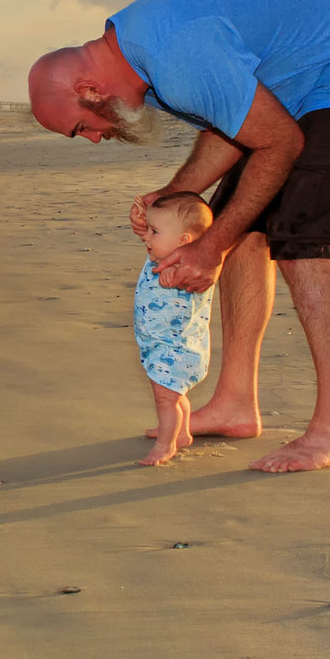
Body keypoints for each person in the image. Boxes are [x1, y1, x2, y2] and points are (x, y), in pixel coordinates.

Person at [26, 0, 330, 473]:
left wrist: (209, 248)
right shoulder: (141, 55)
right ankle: (237, 403)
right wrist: (175, 195)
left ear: (89, 90)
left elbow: (279, 143)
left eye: (81, 128)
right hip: (303, 82)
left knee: (302, 243)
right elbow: (236, 123)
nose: (95, 139)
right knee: (236, 227)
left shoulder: (174, 54)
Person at [131, 191, 217, 467]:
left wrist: (175, 278)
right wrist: (144, 221)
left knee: (165, 399)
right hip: (162, 345)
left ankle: (164, 445)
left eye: (154, 232)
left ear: (184, 242)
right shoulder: (162, 252)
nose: (146, 236)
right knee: (174, 396)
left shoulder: (186, 269)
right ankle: (180, 433)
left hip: (176, 350)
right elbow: (156, 236)